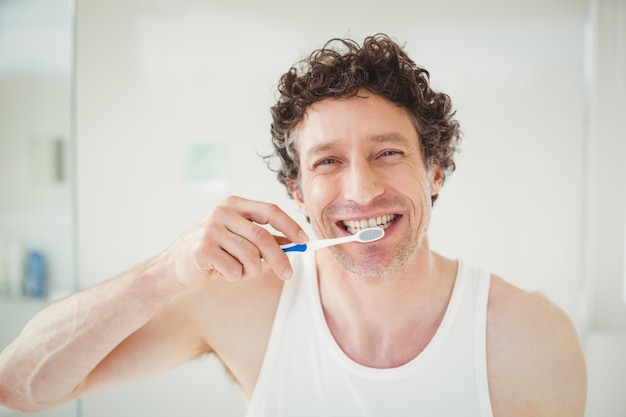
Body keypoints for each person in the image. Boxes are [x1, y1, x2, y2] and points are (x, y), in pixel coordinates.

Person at [0, 33, 586, 416]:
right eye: (328, 161)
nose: (360, 190)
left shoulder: (528, 338)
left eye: (387, 153)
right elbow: (21, 386)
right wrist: (168, 272)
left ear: (434, 170)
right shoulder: (239, 306)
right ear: (296, 191)